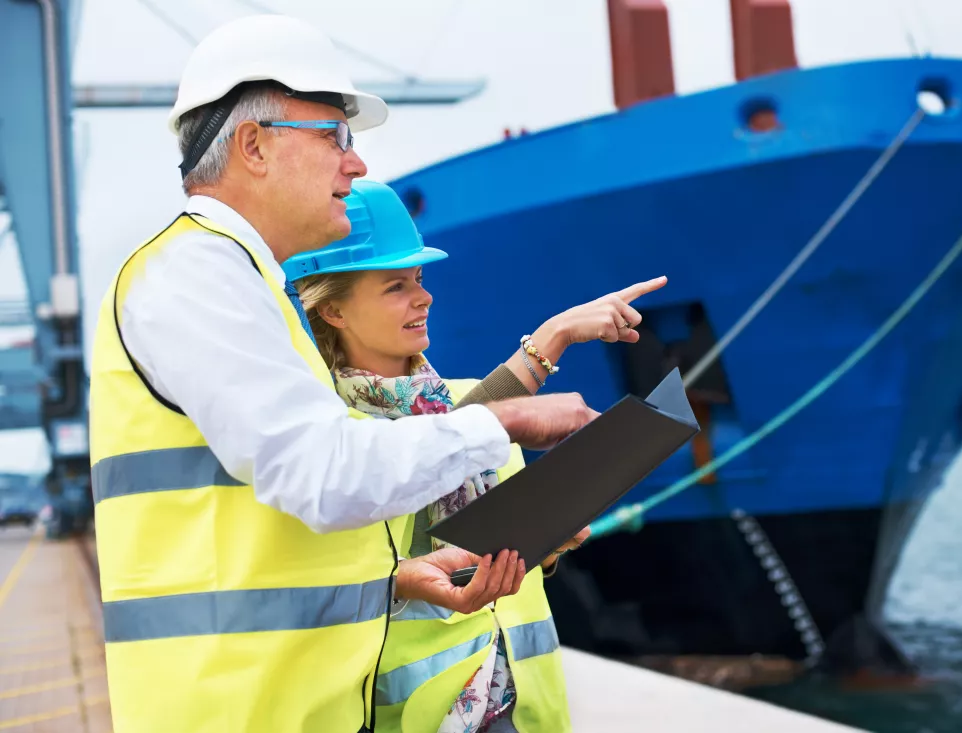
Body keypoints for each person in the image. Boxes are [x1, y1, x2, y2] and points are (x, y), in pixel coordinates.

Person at [88, 14, 598, 733]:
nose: (356, 165)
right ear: (254, 145)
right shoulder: (193, 274)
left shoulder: (242, 287)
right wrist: (502, 419)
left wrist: (389, 581)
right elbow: (322, 473)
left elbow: (268, 540)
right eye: (335, 136)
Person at [287, 180, 667, 732]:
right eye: (395, 286)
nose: (423, 298)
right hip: (420, 715)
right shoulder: (330, 434)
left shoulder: (468, 407)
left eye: (419, 280)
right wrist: (554, 335)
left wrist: (547, 543)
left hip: (525, 705)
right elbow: (335, 573)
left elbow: (463, 440)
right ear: (333, 310)